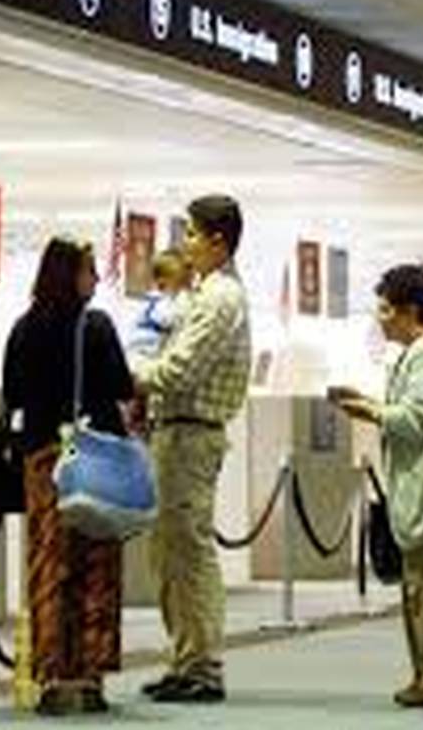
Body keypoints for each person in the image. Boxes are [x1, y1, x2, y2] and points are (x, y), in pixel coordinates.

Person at [2, 237, 133, 715]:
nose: (95, 279)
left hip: (43, 460)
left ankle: (53, 676)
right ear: (72, 275)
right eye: (89, 270)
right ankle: (91, 676)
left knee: (49, 566)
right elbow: (120, 384)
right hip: (96, 460)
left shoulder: (24, 328)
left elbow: (13, 393)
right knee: (96, 566)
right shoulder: (96, 327)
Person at [134, 196, 252, 704]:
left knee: (188, 551)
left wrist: (125, 373)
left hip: (191, 435)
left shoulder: (220, 298)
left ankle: (202, 666)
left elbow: (180, 370)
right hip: (175, 432)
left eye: (191, 234)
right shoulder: (203, 292)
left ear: (217, 241)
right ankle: (185, 659)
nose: (184, 244)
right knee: (170, 553)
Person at [334, 265, 423, 708]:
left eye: (387, 310)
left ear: (411, 310)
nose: (381, 318)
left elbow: (416, 420)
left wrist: (370, 411)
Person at [129, 248, 193, 362]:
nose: (188, 288)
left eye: (189, 283)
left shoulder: (155, 300)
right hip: (145, 353)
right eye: (182, 283)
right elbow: (172, 318)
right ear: (161, 284)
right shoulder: (161, 303)